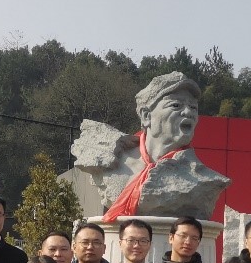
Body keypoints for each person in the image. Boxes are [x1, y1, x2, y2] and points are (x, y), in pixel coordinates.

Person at [72, 71, 229, 222]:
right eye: (176, 105)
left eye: (193, 107)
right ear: (146, 116)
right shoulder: (111, 158)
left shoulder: (203, 179)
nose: (188, 112)